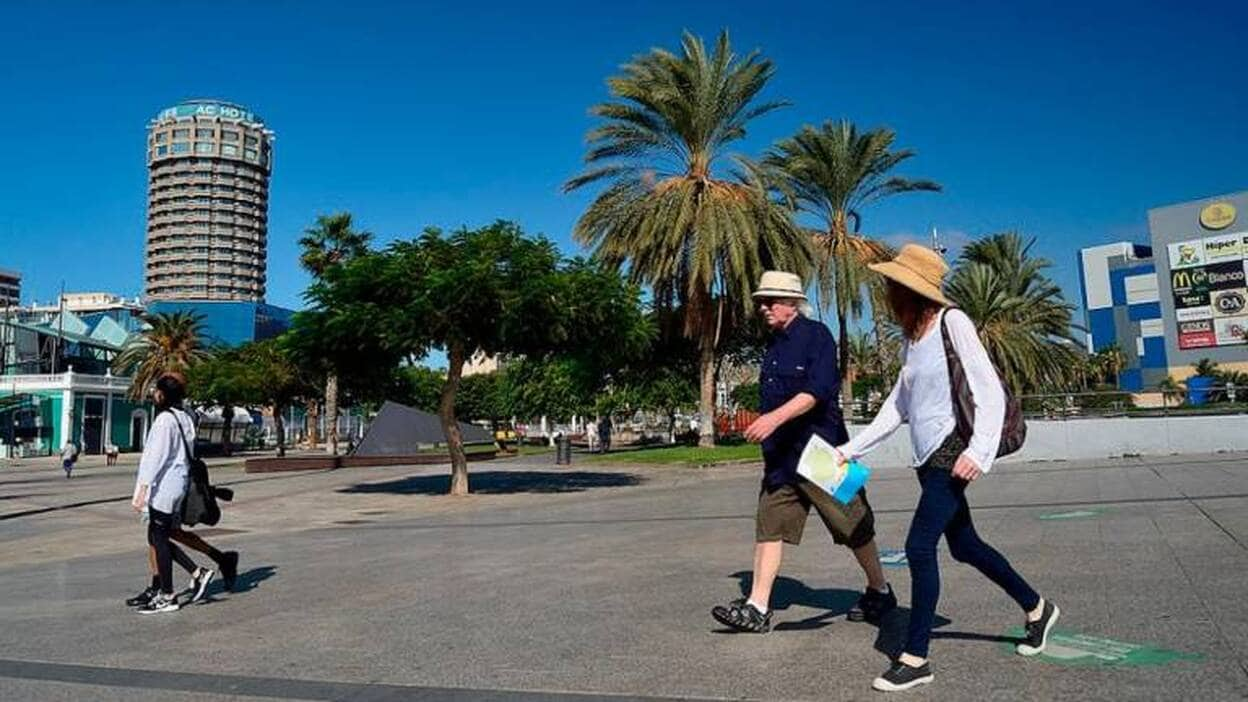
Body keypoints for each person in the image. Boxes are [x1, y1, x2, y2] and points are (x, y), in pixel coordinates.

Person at [833, 244, 1059, 693]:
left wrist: (979, 451)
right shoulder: (912, 339)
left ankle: (916, 657)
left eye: (891, 286)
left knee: (920, 547)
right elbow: (896, 407)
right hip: (928, 458)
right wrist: (849, 448)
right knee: (966, 545)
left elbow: (988, 390)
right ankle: (1037, 607)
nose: (886, 294)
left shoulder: (952, 322)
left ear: (908, 289)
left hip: (951, 451)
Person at [711, 271, 895, 634]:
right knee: (769, 527)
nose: (763, 308)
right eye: (761, 302)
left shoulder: (817, 336)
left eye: (771, 301)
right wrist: (773, 430)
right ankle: (757, 608)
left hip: (824, 455)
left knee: (854, 526)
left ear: (792, 303)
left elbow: (817, 391)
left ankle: (879, 588)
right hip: (781, 459)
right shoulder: (774, 345)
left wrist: (772, 420)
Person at [130, 373, 199, 614]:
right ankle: (163, 590)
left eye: (155, 392)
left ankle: (168, 595)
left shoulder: (164, 421)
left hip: (164, 488)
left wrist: (142, 490)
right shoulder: (184, 418)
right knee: (156, 537)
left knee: (159, 541)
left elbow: (154, 459)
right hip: (177, 484)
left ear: (162, 394)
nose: (153, 395)